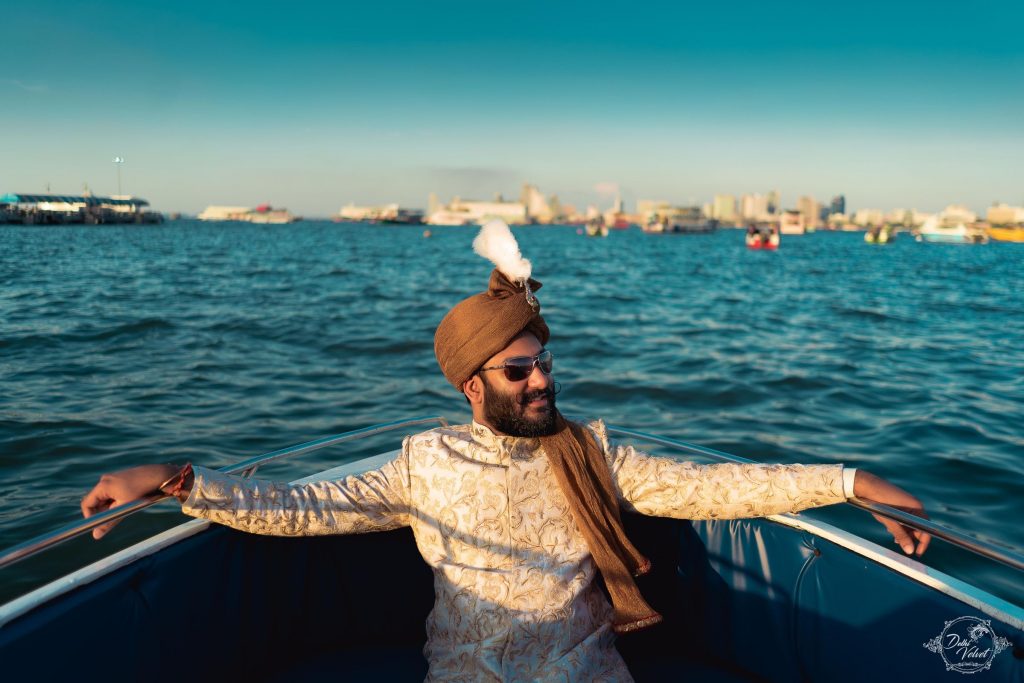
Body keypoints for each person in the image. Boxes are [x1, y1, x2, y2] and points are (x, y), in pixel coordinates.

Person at [82, 221, 930, 682]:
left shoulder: (592, 453)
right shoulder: (423, 465)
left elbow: (713, 487)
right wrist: (174, 479)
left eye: (546, 363)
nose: (541, 382)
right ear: (471, 387)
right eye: (519, 369)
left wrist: (852, 480)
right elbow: (300, 506)